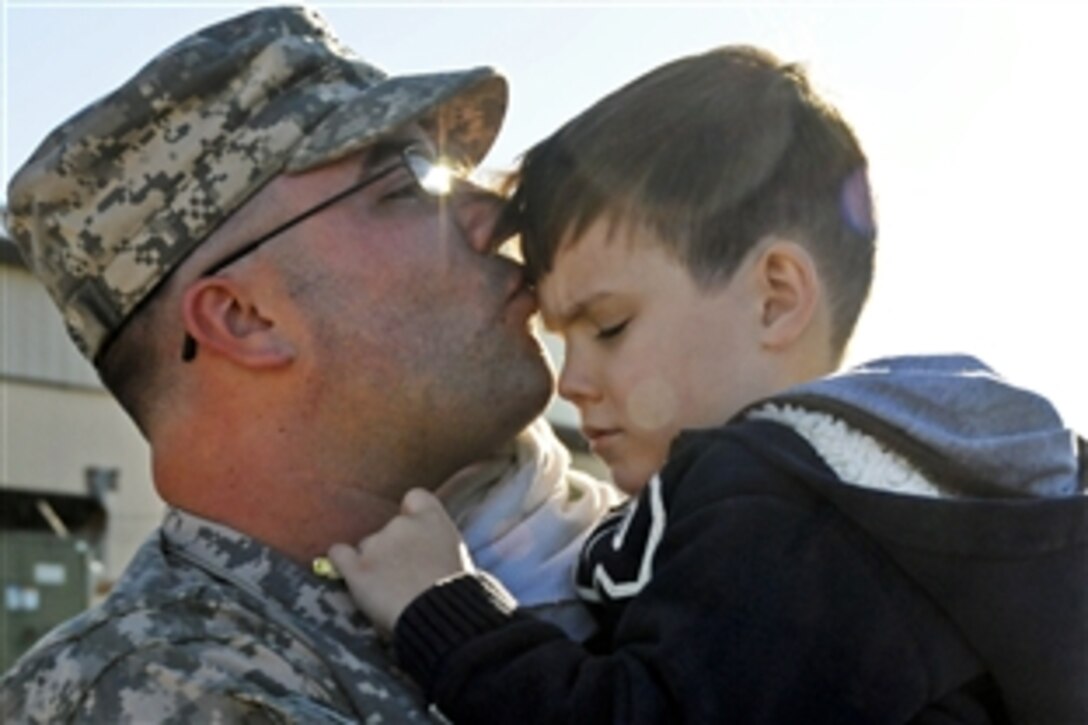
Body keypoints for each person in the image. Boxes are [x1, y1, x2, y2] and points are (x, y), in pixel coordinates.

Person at [329, 47, 1088, 723]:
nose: (573, 379)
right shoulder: (850, 506)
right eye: (559, 336)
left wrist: (444, 605)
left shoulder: (784, 506)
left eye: (611, 326)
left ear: (775, 298)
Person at [0, 6, 618, 722]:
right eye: (407, 185)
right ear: (244, 318)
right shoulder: (169, 691)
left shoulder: (601, 545)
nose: (497, 212)